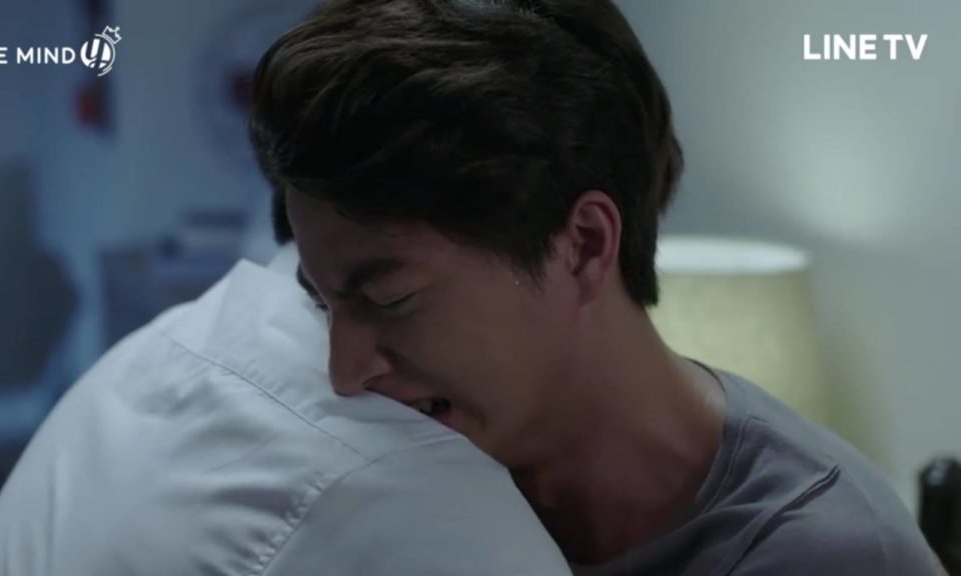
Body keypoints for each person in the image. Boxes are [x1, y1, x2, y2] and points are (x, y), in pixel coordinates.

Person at [249, 0, 944, 573]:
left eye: (389, 299)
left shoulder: (822, 553)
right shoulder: (405, 486)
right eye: (322, 303)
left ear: (582, 245)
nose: (344, 373)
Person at [0, 235, 572, 575]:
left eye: (391, 300)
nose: (345, 372)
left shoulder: (158, 344)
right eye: (389, 296)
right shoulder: (441, 514)